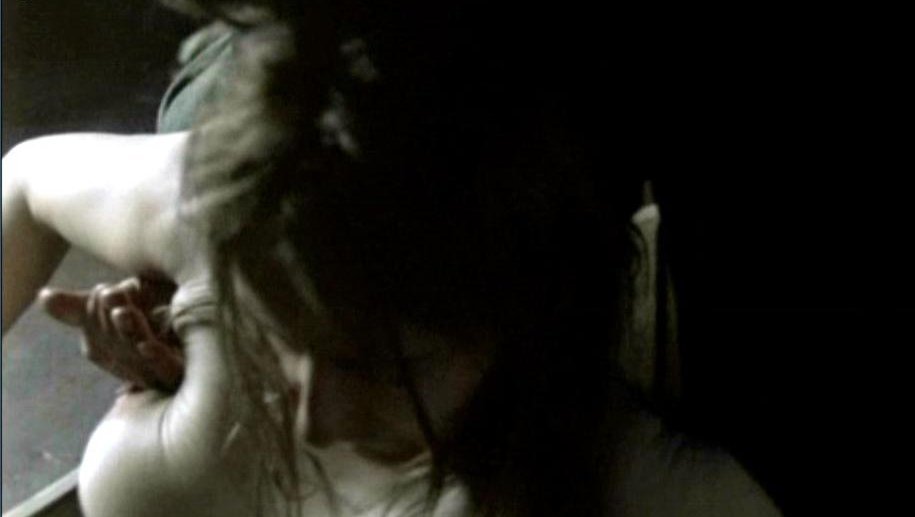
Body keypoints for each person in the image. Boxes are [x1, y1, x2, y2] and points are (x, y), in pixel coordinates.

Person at [2, 0, 781, 515]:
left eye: (375, 366)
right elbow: (26, 179)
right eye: (278, 329)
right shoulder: (244, 210)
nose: (313, 419)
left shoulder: (640, 485)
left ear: (518, 321)